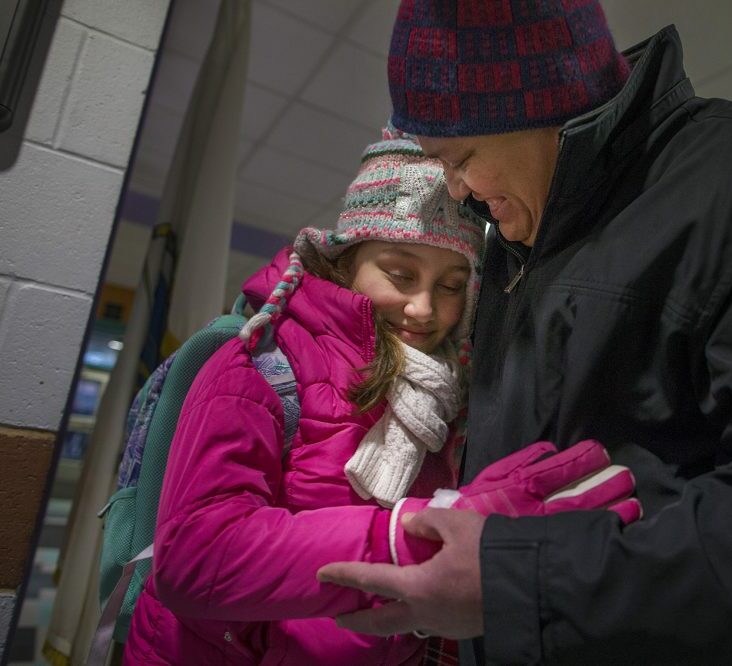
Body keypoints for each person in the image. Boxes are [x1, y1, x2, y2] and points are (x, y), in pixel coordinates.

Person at [317, 3, 732, 664]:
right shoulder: (516, 239)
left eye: (459, 157)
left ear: (528, 106)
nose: (456, 189)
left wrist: (522, 583)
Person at [122, 130, 639, 665]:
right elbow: (196, 556)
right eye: (400, 273)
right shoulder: (262, 362)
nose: (423, 309)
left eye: (451, 285)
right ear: (346, 261)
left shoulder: (448, 399)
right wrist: (410, 535)